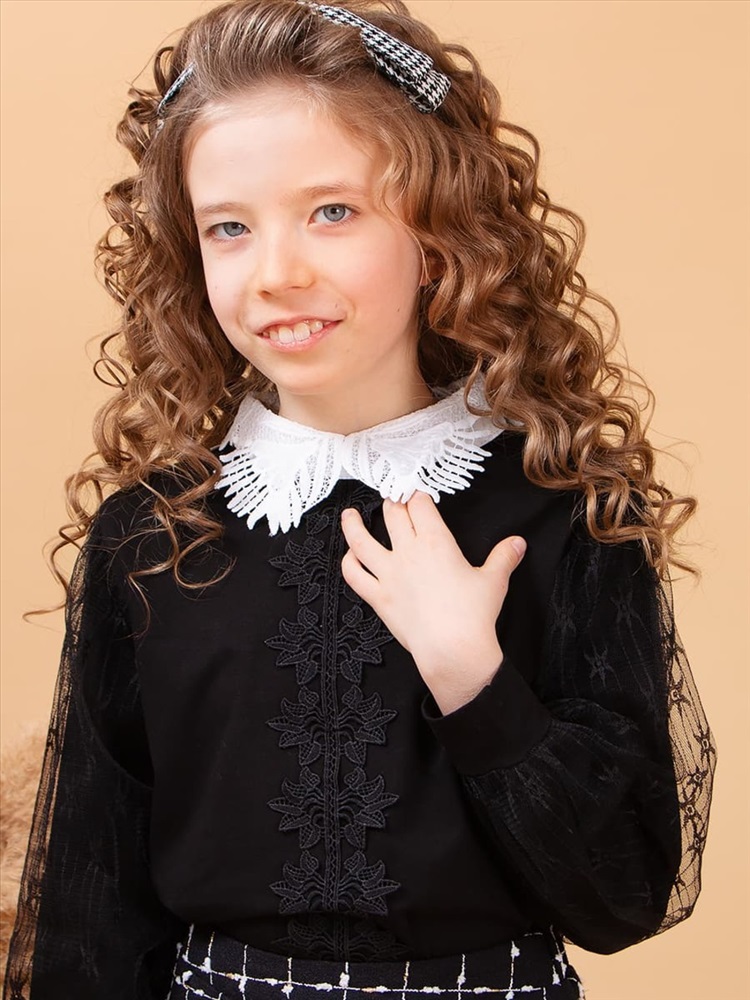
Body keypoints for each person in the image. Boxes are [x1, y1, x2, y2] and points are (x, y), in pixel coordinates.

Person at [4, 1, 716, 997]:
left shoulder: (566, 511)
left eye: (332, 211)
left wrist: (472, 675)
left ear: (439, 226)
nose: (277, 274)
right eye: (229, 228)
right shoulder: (153, 535)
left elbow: (626, 895)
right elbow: (92, 906)